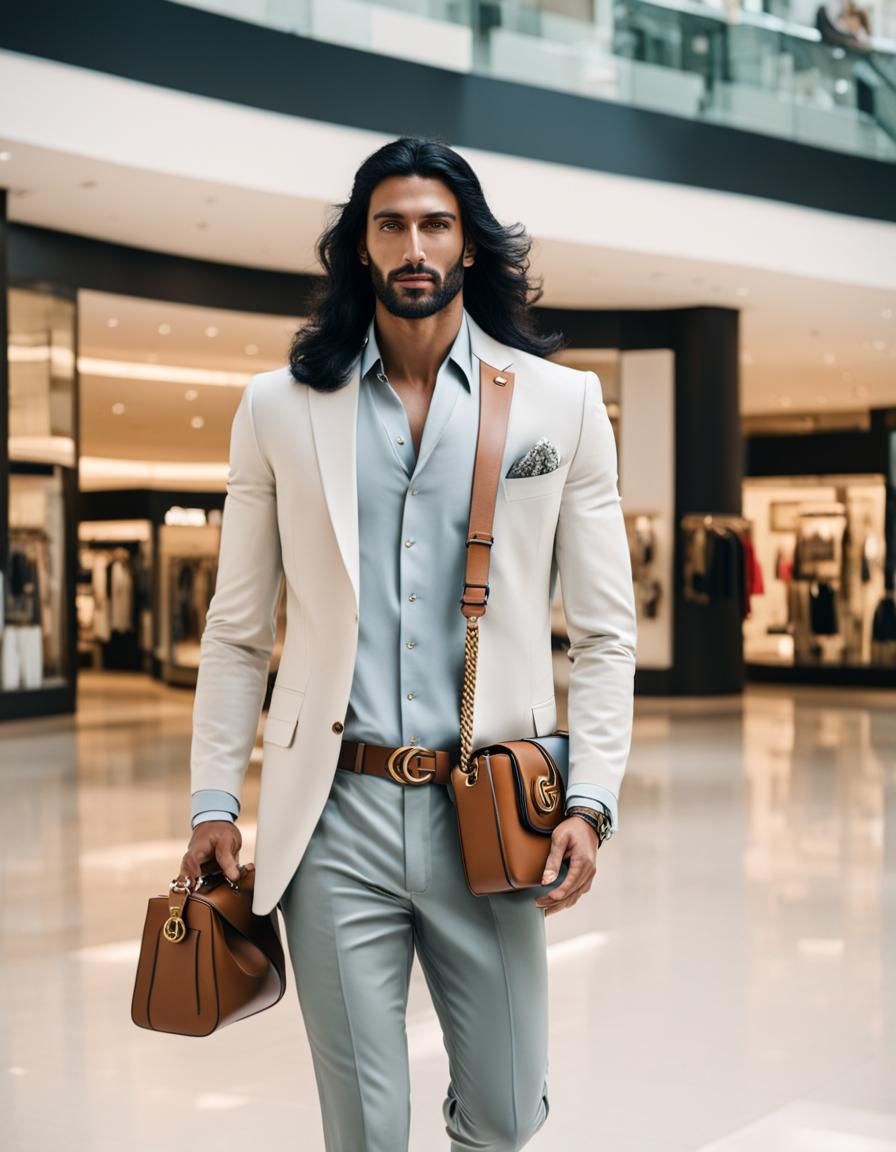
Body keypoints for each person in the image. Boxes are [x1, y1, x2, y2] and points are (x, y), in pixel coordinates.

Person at [178, 136, 637, 1151]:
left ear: (467, 246)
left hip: (490, 815)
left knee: (507, 1113)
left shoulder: (559, 405)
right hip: (331, 818)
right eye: (390, 225)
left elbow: (607, 633)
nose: (414, 245)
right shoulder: (277, 410)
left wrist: (592, 799)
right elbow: (236, 627)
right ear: (359, 249)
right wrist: (215, 795)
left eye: (435, 224)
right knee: (367, 1129)